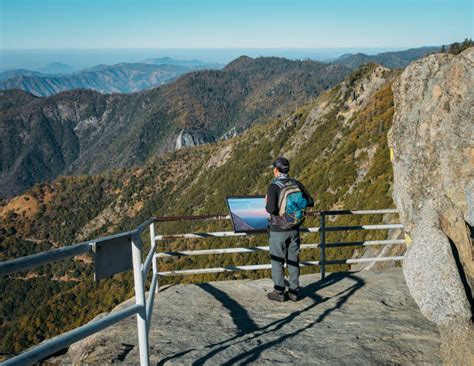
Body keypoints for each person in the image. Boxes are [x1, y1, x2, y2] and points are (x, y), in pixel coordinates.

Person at [265, 157, 314, 302]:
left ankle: (279, 292)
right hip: (295, 228)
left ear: (275, 170)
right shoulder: (295, 183)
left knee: (277, 260)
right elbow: (310, 201)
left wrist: (267, 201)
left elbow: (271, 209)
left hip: (278, 229)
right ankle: (294, 291)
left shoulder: (273, 186)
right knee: (293, 259)